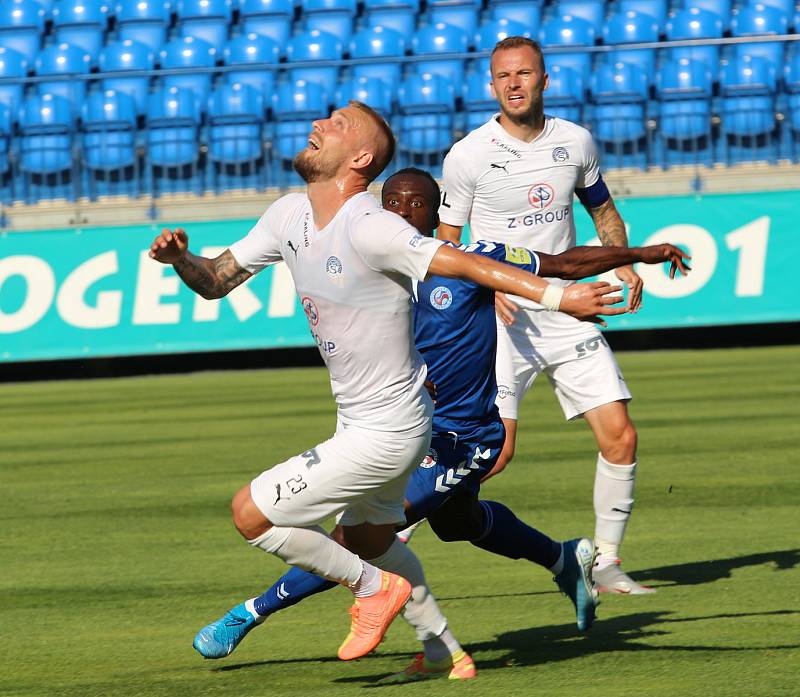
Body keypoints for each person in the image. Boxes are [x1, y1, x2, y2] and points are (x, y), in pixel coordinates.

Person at [149, 102, 627, 681]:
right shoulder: (286, 215)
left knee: (251, 514)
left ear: (361, 158)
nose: (320, 123)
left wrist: (558, 296)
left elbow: (467, 263)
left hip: (391, 429)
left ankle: (371, 593)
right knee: (376, 539)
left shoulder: (372, 225)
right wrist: (181, 261)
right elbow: (215, 282)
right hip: (363, 422)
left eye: (338, 123)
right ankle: (444, 650)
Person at [435, 36, 660, 594]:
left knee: (621, 437)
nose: (514, 84)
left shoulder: (575, 142)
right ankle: (396, 526)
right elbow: (445, 242)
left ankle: (603, 563)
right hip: (502, 319)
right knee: (495, 454)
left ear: (544, 79)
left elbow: (602, 208)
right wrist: (484, 289)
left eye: (524, 74)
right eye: (503, 76)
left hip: (567, 310)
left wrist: (624, 262)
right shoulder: (467, 154)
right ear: (492, 86)